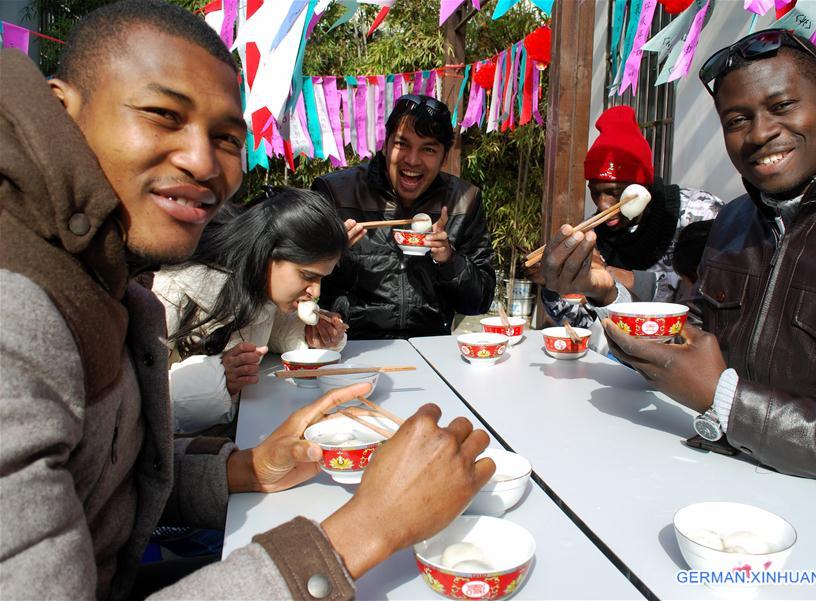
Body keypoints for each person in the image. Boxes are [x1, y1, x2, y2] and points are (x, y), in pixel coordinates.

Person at [0, 2, 494, 600]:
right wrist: (366, 529)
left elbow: (117, 481)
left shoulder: (116, 290)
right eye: (162, 115)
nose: (203, 161)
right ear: (62, 112)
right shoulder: (19, 312)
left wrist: (249, 467)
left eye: (228, 137)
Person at [597, 29, 816, 491]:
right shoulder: (736, 218)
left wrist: (729, 402)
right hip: (707, 487)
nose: (760, 133)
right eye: (737, 120)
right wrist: (604, 294)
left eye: (782, 107)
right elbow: (689, 345)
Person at [153, 186, 350, 435]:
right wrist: (216, 379)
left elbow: (268, 324)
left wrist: (310, 336)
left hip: (244, 432)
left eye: (321, 279)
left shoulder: (260, 287)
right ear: (266, 253)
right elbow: (138, 397)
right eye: (307, 276)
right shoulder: (170, 290)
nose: (316, 292)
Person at [312, 94, 495, 339]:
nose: (412, 159)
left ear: (444, 156)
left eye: (428, 148)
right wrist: (329, 254)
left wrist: (449, 259)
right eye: (402, 144)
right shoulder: (336, 193)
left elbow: (478, 303)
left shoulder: (464, 200)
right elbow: (297, 281)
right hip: (350, 345)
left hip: (430, 348)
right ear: (385, 145)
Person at [540, 105, 724, 335]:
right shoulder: (593, 235)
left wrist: (627, 278)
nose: (603, 205)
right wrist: (553, 285)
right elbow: (584, 326)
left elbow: (721, 293)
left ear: (643, 185)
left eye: (615, 192)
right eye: (595, 192)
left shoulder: (698, 212)